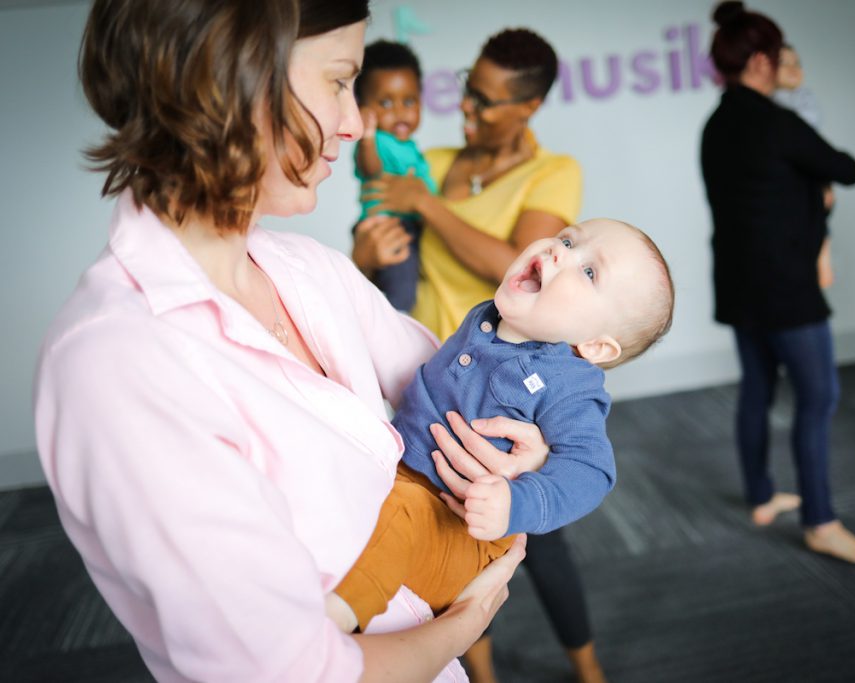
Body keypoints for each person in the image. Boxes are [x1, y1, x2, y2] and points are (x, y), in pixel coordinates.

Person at [31, 1, 556, 681]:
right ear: (232, 75)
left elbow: (466, 391)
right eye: (340, 80)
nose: (356, 122)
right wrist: (462, 623)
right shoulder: (115, 362)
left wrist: (527, 440)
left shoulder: (309, 270)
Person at [351, 28, 607, 683]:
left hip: (510, 399)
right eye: (467, 90)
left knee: (535, 544)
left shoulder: (554, 173)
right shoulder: (432, 159)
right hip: (430, 389)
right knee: (441, 536)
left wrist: (426, 204)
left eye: (486, 102)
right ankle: (479, 672)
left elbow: (513, 262)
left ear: (528, 108)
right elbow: (381, 216)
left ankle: (588, 668)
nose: (466, 109)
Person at [330, 219, 675, 633]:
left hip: (458, 527)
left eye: (589, 271)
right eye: (568, 238)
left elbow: (592, 470)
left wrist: (517, 503)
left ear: (596, 346)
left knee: (398, 518)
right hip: (399, 474)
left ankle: (332, 624)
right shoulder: (489, 318)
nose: (559, 251)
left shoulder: (569, 386)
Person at [701, 1, 855, 564]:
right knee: (818, 397)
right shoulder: (779, 123)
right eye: (778, 55)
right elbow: (846, 168)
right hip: (786, 288)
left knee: (758, 388)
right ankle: (821, 522)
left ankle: (761, 496)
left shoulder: (716, 124)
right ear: (760, 61)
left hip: (737, 283)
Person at [352, 39, 436, 311]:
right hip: (388, 227)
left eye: (409, 101)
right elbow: (371, 169)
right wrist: (366, 137)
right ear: (363, 108)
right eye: (385, 103)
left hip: (409, 223)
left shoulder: (409, 146)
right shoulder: (376, 141)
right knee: (401, 290)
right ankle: (396, 322)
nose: (400, 112)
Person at [774, 43, 835, 290]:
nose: (793, 69)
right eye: (784, 63)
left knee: (819, 225)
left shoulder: (806, 99)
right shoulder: (770, 105)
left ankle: (822, 264)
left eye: (796, 63)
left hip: (811, 180)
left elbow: (815, 147)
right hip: (789, 190)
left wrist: (826, 183)